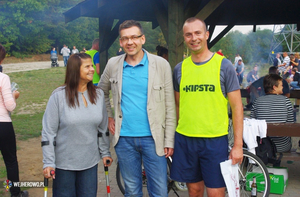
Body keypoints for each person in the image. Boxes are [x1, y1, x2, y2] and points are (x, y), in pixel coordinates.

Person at [99, 20, 176, 197]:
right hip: (124, 139)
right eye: (125, 38)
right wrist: (109, 116)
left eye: (134, 37)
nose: (129, 42)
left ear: (142, 39)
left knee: (159, 191)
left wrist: (169, 140)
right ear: (120, 42)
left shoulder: (160, 64)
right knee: (132, 191)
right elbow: (101, 91)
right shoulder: (113, 64)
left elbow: (169, 105)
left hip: (154, 139)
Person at [170, 17, 243, 197]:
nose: (193, 38)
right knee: (194, 190)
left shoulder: (224, 66)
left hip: (214, 139)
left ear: (207, 35)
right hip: (186, 139)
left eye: (197, 33)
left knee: (216, 192)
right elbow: (178, 105)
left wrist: (238, 145)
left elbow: (237, 107)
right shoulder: (179, 69)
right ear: (184, 38)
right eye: (188, 34)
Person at [42, 53, 112, 197]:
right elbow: (48, 132)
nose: (92, 69)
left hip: (89, 163)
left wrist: (105, 152)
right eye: (87, 66)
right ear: (75, 70)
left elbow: (103, 128)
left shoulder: (98, 95)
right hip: (64, 165)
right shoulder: (58, 96)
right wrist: (48, 162)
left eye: (92, 65)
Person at [0, 44, 28, 197]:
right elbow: (10, 106)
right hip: (3, 124)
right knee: (10, 161)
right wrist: (15, 96)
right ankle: (15, 193)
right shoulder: (3, 78)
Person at [250, 74, 293, 153]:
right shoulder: (286, 101)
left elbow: (253, 122)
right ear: (274, 87)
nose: (283, 87)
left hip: (263, 145)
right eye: (281, 85)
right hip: (282, 145)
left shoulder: (257, 101)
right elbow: (291, 123)